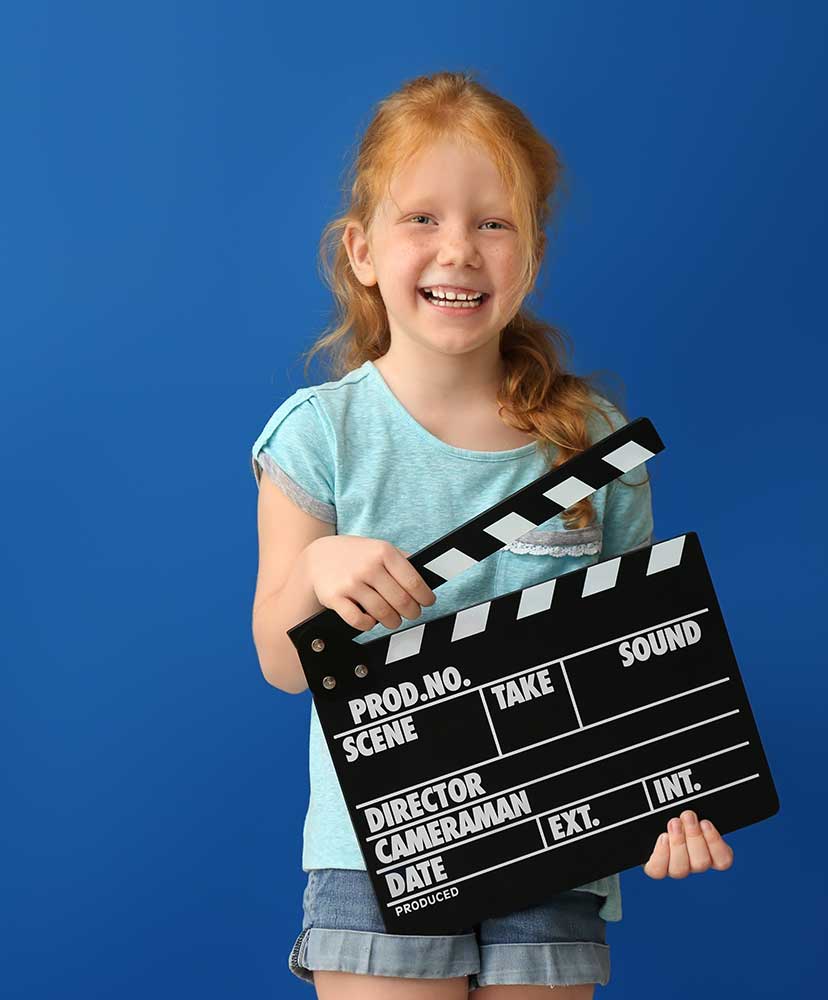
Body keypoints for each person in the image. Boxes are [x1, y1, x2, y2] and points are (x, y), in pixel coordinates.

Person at [250, 70, 734, 1000]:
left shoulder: (590, 442)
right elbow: (280, 658)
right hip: (376, 842)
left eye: (494, 223)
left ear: (533, 255)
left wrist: (676, 792)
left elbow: (642, 651)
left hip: (558, 827)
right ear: (362, 251)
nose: (459, 250)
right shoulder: (318, 435)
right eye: (422, 219)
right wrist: (318, 565)